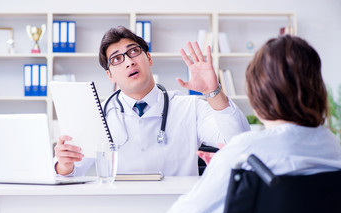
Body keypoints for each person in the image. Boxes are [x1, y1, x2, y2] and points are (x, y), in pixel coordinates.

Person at [164, 35, 341, 213]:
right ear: (318, 88)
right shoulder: (333, 147)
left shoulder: (245, 154)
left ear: (258, 92)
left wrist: (223, 164)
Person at [54, 26, 249, 177]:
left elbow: (238, 142)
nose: (129, 62)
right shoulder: (98, 115)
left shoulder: (190, 107)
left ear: (148, 58)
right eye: (116, 59)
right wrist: (64, 164)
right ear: (110, 75)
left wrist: (213, 92)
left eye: (133, 52)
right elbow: (69, 172)